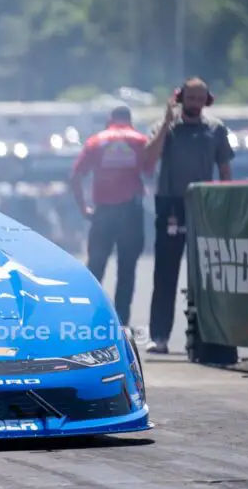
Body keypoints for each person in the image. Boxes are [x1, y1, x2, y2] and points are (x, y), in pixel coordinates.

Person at [143, 78, 235, 354]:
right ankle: (158, 335)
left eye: (199, 99)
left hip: (204, 206)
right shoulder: (166, 128)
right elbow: (148, 160)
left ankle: (206, 336)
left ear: (207, 100)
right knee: (165, 273)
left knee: (206, 274)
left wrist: (225, 204)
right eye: (190, 98)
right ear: (180, 98)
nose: (194, 104)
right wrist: (166, 122)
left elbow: (225, 170)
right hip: (171, 205)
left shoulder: (216, 130)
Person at [70, 105, 150, 328]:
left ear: (109, 120)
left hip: (103, 212)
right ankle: (122, 322)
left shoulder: (96, 141)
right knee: (127, 269)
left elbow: (75, 176)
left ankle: (88, 317)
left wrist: (83, 208)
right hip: (130, 212)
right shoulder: (140, 140)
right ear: (129, 120)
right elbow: (150, 170)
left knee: (95, 267)